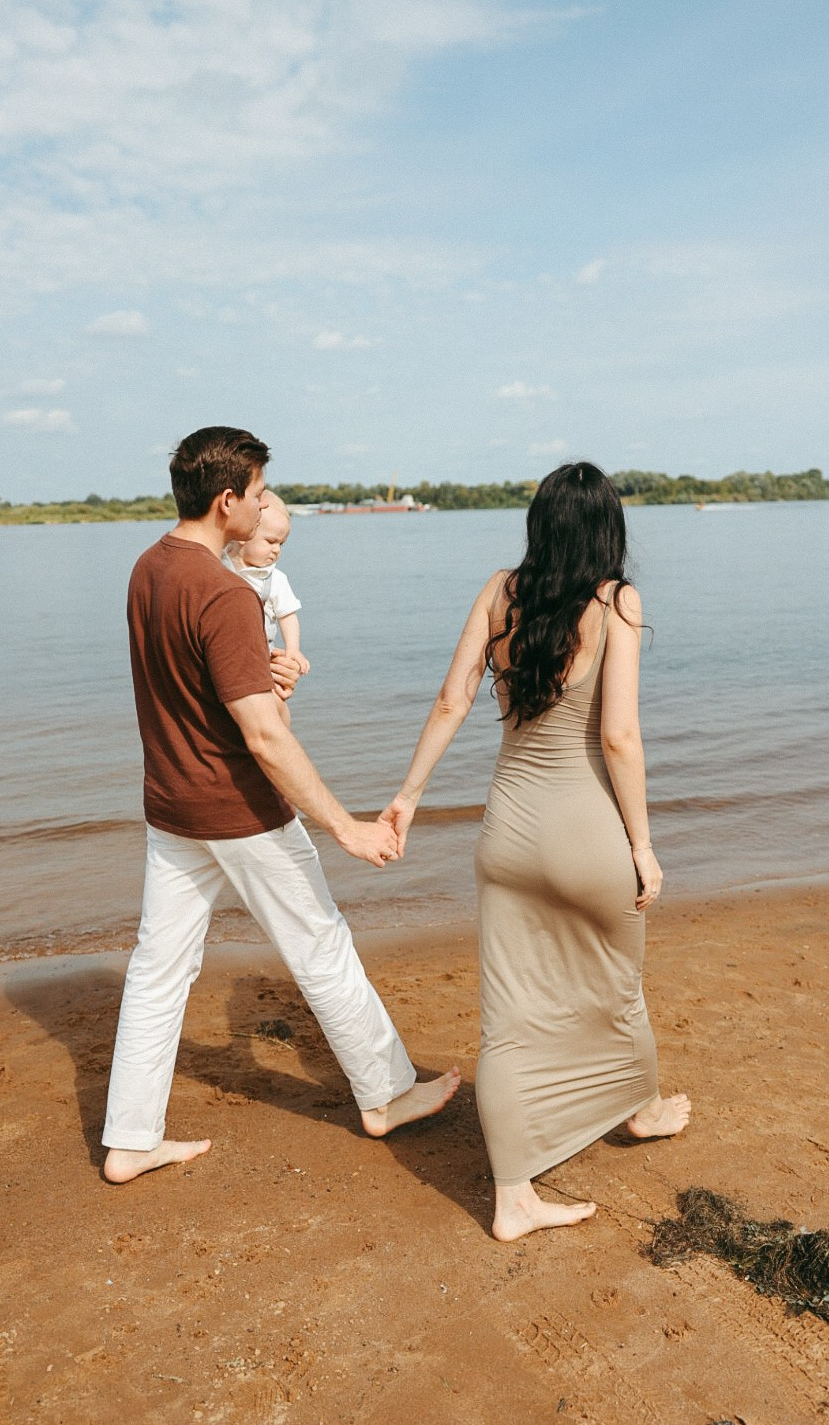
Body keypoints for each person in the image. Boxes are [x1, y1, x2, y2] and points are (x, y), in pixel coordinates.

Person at [102, 425, 459, 1183]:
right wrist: (346, 827)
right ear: (228, 501)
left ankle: (130, 1137)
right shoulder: (225, 592)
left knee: (157, 968)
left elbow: (196, 689)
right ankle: (388, 1095)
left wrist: (263, 679)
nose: (265, 507)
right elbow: (264, 738)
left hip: (171, 808)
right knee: (321, 947)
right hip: (238, 809)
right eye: (259, 494)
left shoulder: (147, 569)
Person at [382, 461, 689, 1241]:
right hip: (587, 838)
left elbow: (452, 700)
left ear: (541, 525)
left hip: (509, 837)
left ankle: (514, 1195)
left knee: (512, 1017)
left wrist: (409, 794)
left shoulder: (500, 592)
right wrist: (643, 846)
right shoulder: (617, 603)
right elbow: (619, 737)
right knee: (617, 987)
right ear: (606, 530)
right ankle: (643, 1109)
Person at [225, 490, 310, 676]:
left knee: (276, 701)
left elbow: (287, 615)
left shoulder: (274, 579)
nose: (277, 550)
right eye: (271, 541)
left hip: (262, 659)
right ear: (244, 534)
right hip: (227, 656)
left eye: (281, 544)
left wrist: (292, 649)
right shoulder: (220, 562)